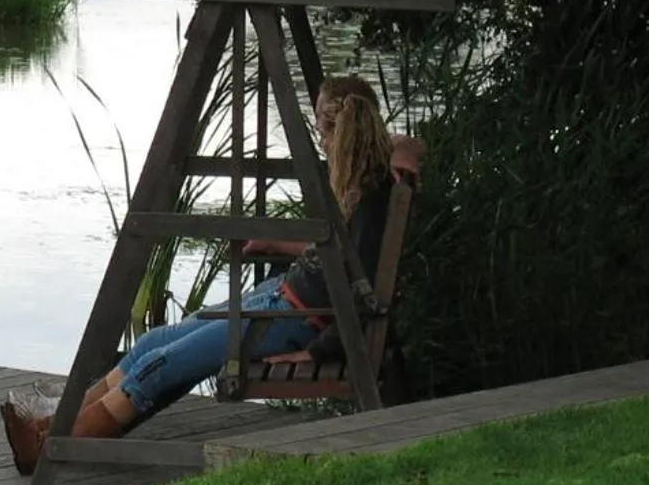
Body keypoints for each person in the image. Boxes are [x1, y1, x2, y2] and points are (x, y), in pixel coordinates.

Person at [71, 75, 406, 438]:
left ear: (339, 133)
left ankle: (58, 441)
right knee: (152, 342)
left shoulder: (372, 198)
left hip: (294, 319)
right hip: (282, 299)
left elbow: (363, 287)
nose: (321, 143)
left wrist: (317, 354)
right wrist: (279, 245)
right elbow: (342, 255)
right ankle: (53, 426)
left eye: (322, 131)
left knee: (159, 366)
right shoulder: (366, 181)